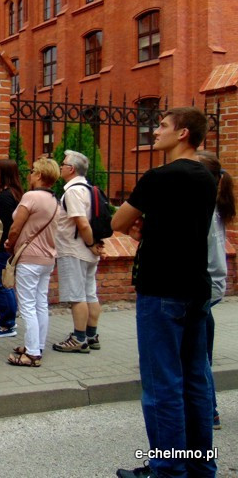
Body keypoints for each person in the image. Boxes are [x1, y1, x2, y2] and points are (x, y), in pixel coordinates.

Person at [114, 107, 217, 478]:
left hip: (161, 289)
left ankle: (169, 469)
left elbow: (118, 220)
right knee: (195, 380)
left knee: (163, 386)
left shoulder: (159, 176)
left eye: (162, 126)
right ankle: (202, 467)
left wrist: (140, 224)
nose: (155, 131)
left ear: (183, 133)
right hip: (196, 288)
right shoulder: (206, 178)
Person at [4, 157, 60, 368]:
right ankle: (36, 345)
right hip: (48, 258)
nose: (30, 174)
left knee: (27, 305)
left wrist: (10, 243)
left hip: (29, 258)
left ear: (39, 175)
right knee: (40, 304)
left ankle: (32, 354)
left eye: (32, 171)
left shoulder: (31, 197)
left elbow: (16, 227)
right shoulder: (55, 200)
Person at [51, 150, 104, 354]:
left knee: (77, 296)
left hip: (74, 248)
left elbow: (81, 221)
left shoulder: (73, 191)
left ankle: (79, 338)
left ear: (71, 169)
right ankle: (91, 335)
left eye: (63, 164)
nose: (61, 166)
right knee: (90, 293)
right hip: (88, 250)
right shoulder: (89, 188)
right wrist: (94, 244)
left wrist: (90, 243)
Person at [197, 150, 234, 432]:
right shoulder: (214, 205)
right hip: (210, 287)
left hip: (203, 288)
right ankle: (208, 411)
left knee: (198, 357)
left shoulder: (206, 209)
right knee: (200, 354)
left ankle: (209, 412)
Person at [0, 159, 22, 338]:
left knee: (0, 284)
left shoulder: (4, 197)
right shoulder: (13, 192)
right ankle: (6, 320)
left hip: (2, 246)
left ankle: (8, 323)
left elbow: (3, 223)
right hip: (6, 246)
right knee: (4, 282)